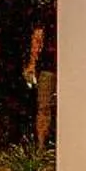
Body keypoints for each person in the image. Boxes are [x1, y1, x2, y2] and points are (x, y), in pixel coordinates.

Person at [24, 12, 56, 147]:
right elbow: (37, 38)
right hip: (48, 68)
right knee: (44, 107)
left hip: (70, 67)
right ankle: (41, 147)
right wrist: (32, 64)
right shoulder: (49, 16)